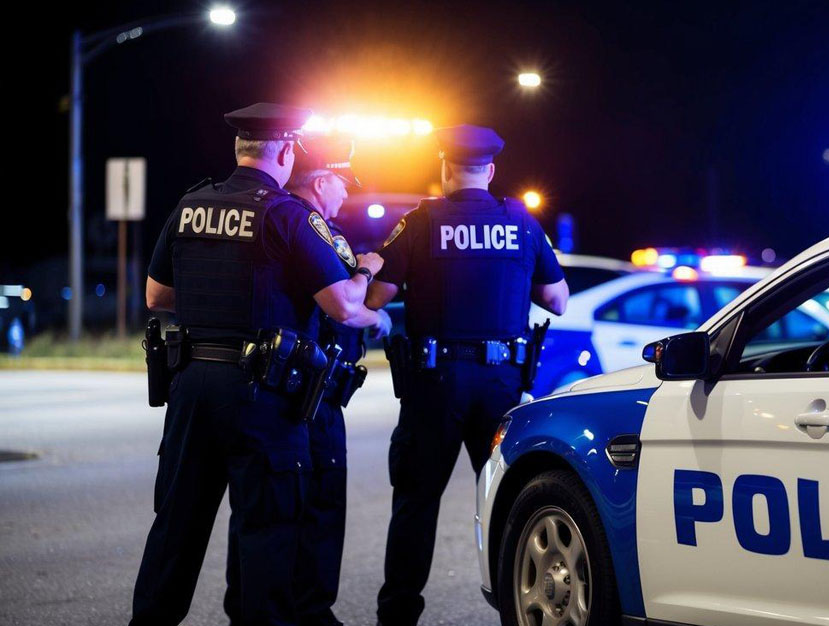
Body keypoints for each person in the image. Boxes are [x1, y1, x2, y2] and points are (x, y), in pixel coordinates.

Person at [134, 103, 387, 626]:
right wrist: (364, 275)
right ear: (288, 152)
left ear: (239, 147)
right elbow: (341, 305)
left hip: (191, 386)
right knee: (266, 532)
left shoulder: (190, 205)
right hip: (262, 396)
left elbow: (157, 296)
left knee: (176, 528)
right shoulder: (286, 215)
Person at [366, 124, 569, 625]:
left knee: (415, 503)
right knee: (506, 499)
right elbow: (557, 299)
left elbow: (375, 298)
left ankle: (397, 617)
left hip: (433, 383)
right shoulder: (521, 222)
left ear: (443, 166)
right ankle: (515, 610)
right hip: (501, 384)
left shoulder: (419, 221)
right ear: (492, 171)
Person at [225, 133, 390, 626]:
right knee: (313, 507)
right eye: (343, 181)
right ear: (321, 181)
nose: (346, 192)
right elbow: (346, 307)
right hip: (310, 393)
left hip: (277, 385)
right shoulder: (311, 227)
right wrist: (369, 283)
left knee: (263, 513)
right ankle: (310, 612)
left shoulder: (275, 219)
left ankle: (261, 609)